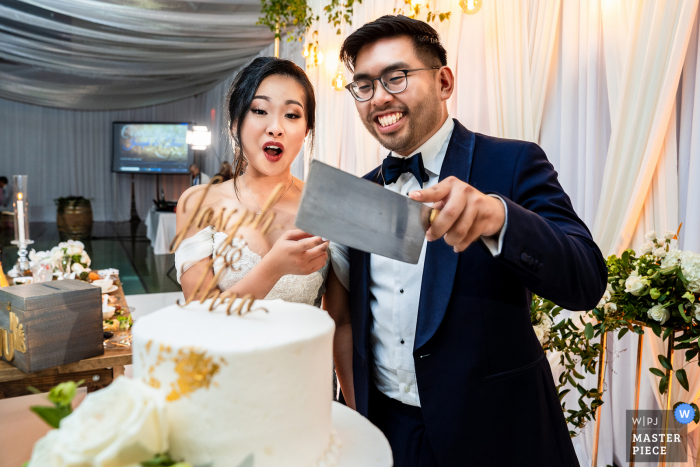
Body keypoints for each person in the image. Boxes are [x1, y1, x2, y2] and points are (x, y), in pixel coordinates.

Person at [329, 15, 607, 467]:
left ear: (444, 81)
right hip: (391, 436)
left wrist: (500, 219)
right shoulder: (360, 193)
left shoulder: (512, 162)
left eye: (396, 77)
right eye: (363, 86)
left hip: (498, 435)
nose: (380, 97)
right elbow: (355, 321)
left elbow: (587, 280)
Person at [174, 57, 353, 405]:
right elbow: (201, 320)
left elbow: (341, 323)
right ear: (236, 121)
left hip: (307, 391)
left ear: (307, 129)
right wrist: (273, 268)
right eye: (260, 111)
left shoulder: (328, 207)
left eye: (292, 114)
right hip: (226, 389)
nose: (276, 128)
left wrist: (358, 415)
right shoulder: (199, 203)